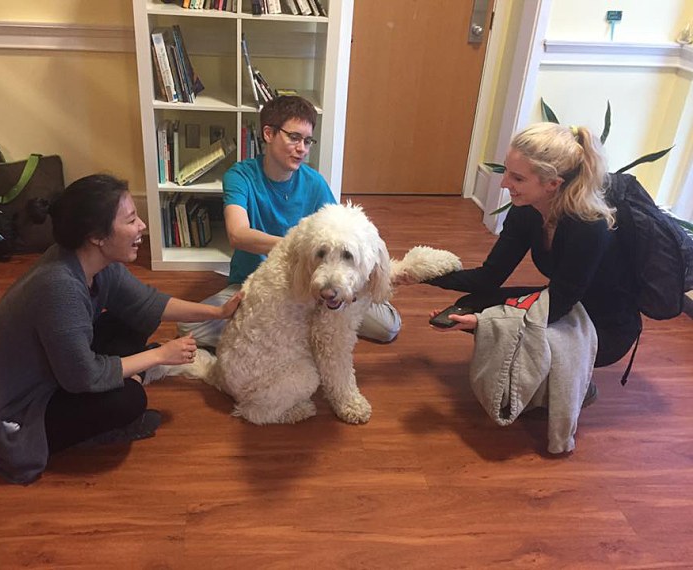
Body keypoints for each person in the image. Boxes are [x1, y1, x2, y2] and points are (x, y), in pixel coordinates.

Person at [0, 174, 242, 485]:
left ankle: (126, 374)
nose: (142, 227)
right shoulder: (60, 287)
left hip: (55, 367)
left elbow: (148, 303)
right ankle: (91, 426)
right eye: (132, 220)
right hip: (20, 405)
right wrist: (160, 356)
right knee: (130, 400)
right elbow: (83, 376)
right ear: (97, 235)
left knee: (133, 320)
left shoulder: (92, 261)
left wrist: (218, 312)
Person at [421, 122, 641, 396]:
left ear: (553, 184)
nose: (504, 183)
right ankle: (542, 373)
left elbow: (558, 306)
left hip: (604, 325)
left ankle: (576, 386)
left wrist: (488, 323)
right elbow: (489, 277)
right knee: (471, 304)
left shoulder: (587, 226)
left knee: (485, 317)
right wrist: (423, 274)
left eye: (518, 178)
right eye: (506, 172)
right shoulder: (527, 212)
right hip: (567, 301)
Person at [177, 95, 401, 346]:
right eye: (294, 137)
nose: (302, 148)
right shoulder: (240, 176)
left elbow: (342, 237)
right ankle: (299, 331)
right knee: (189, 327)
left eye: (307, 141)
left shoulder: (314, 182)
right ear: (268, 133)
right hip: (259, 282)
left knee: (388, 326)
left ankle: (293, 330)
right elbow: (237, 234)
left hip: (308, 280)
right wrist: (299, 244)